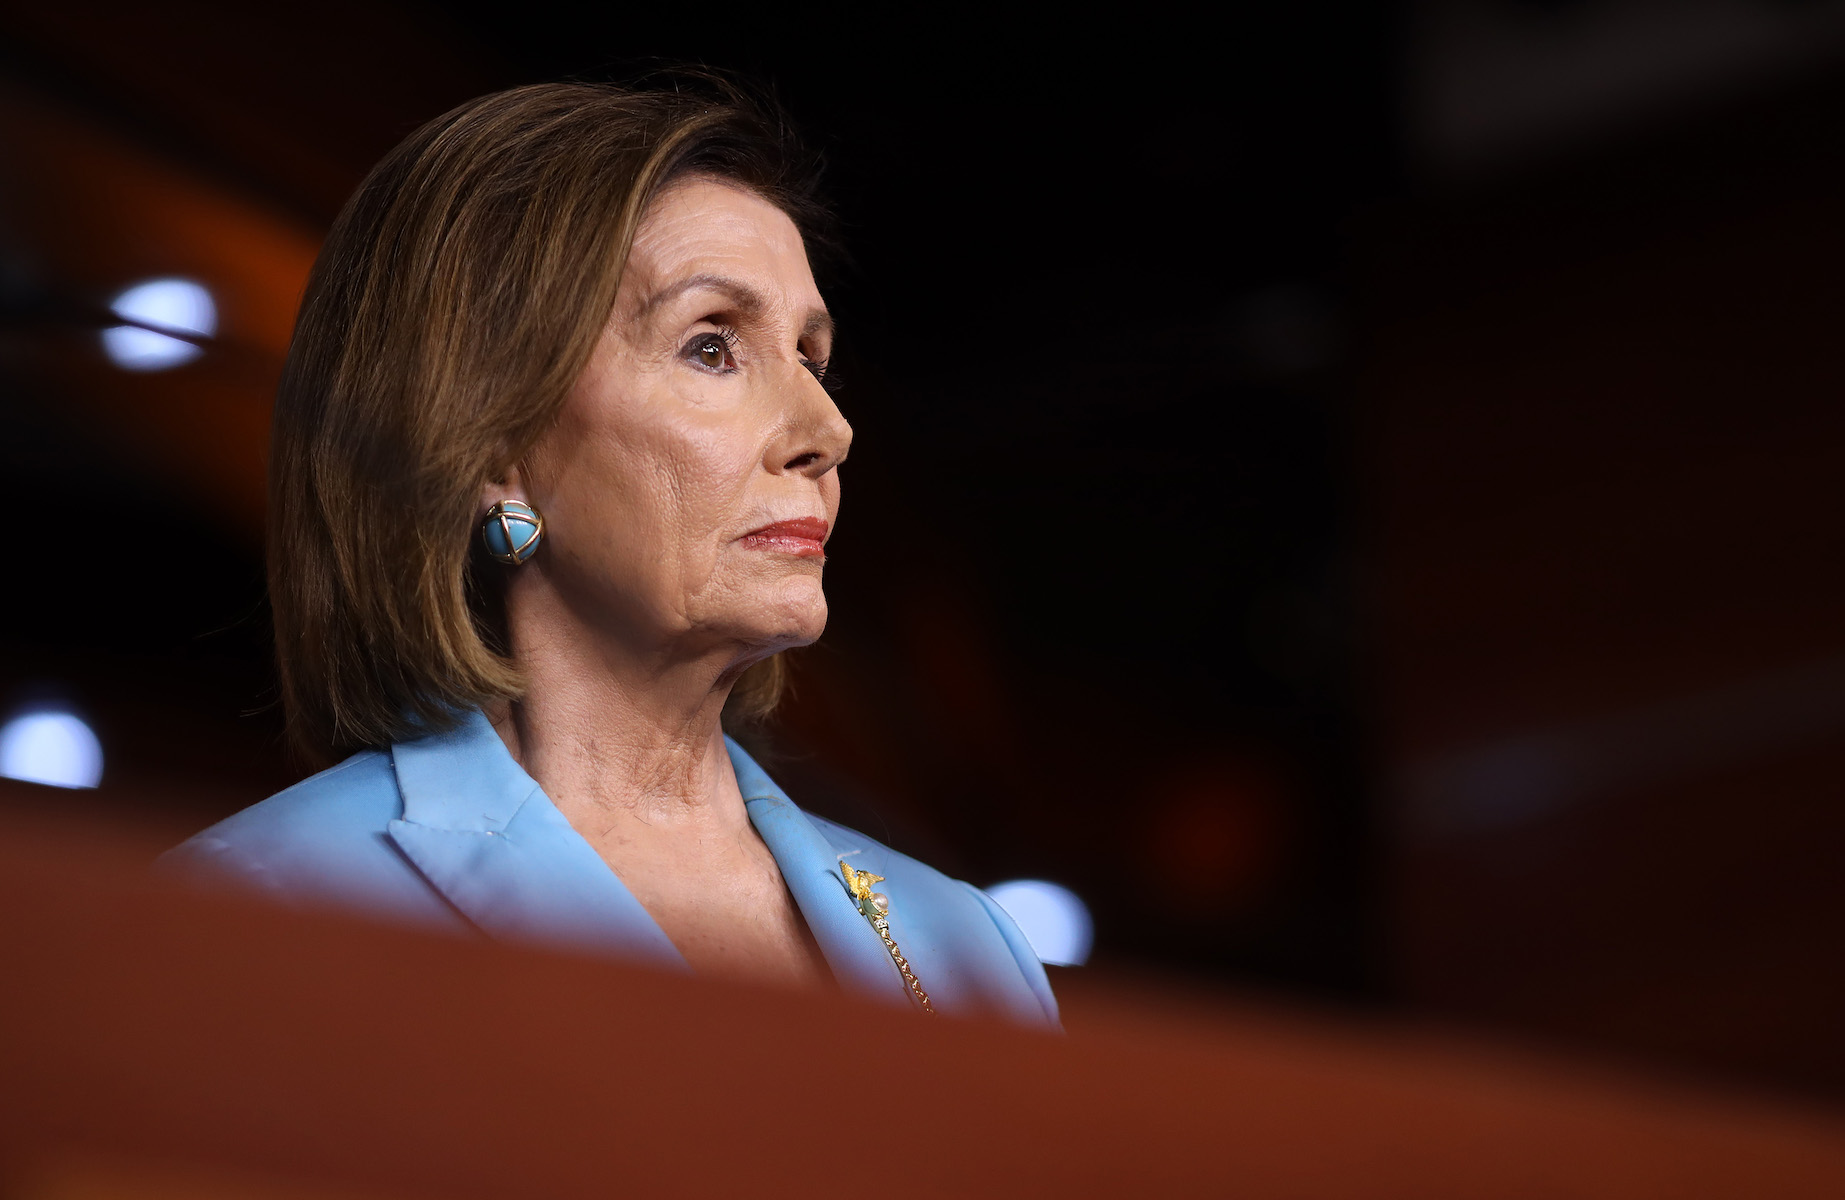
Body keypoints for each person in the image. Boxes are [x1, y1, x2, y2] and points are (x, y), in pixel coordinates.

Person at [160, 79, 1058, 1028]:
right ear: (493, 445)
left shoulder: (971, 951)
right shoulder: (261, 904)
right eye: (712, 346)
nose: (827, 429)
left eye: (811, 356)